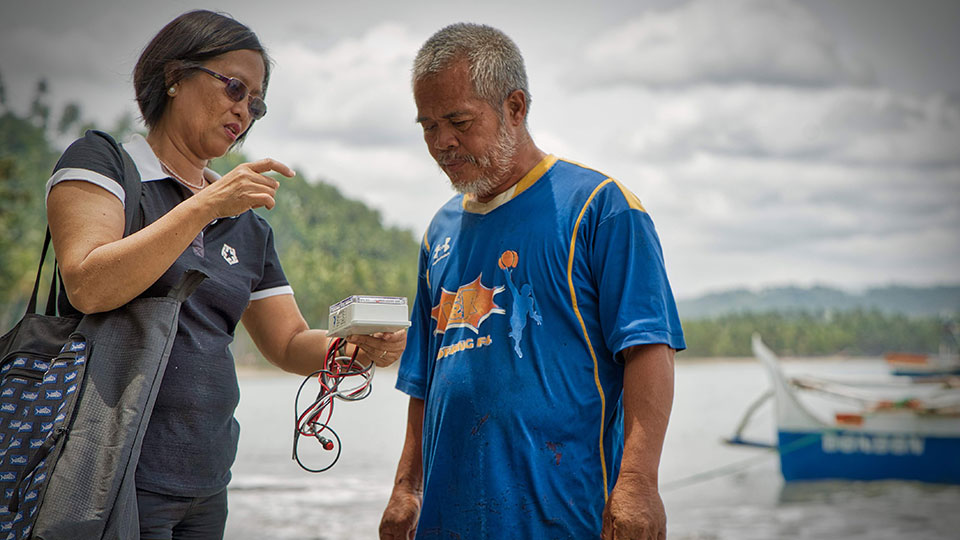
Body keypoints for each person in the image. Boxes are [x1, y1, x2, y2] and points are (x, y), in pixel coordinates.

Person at [45, 10, 406, 539]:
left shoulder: (247, 224)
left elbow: (286, 342)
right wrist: (206, 204)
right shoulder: (105, 163)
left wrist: (355, 349)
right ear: (173, 76)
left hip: (206, 481)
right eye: (234, 88)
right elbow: (89, 283)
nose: (244, 110)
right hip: (107, 472)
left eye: (255, 103)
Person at [379, 23, 685, 540]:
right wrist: (406, 489)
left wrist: (637, 483)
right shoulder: (440, 232)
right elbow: (425, 378)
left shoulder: (600, 208)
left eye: (458, 120)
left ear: (515, 107)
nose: (441, 142)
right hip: (448, 519)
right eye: (427, 125)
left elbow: (648, 346)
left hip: (566, 513)